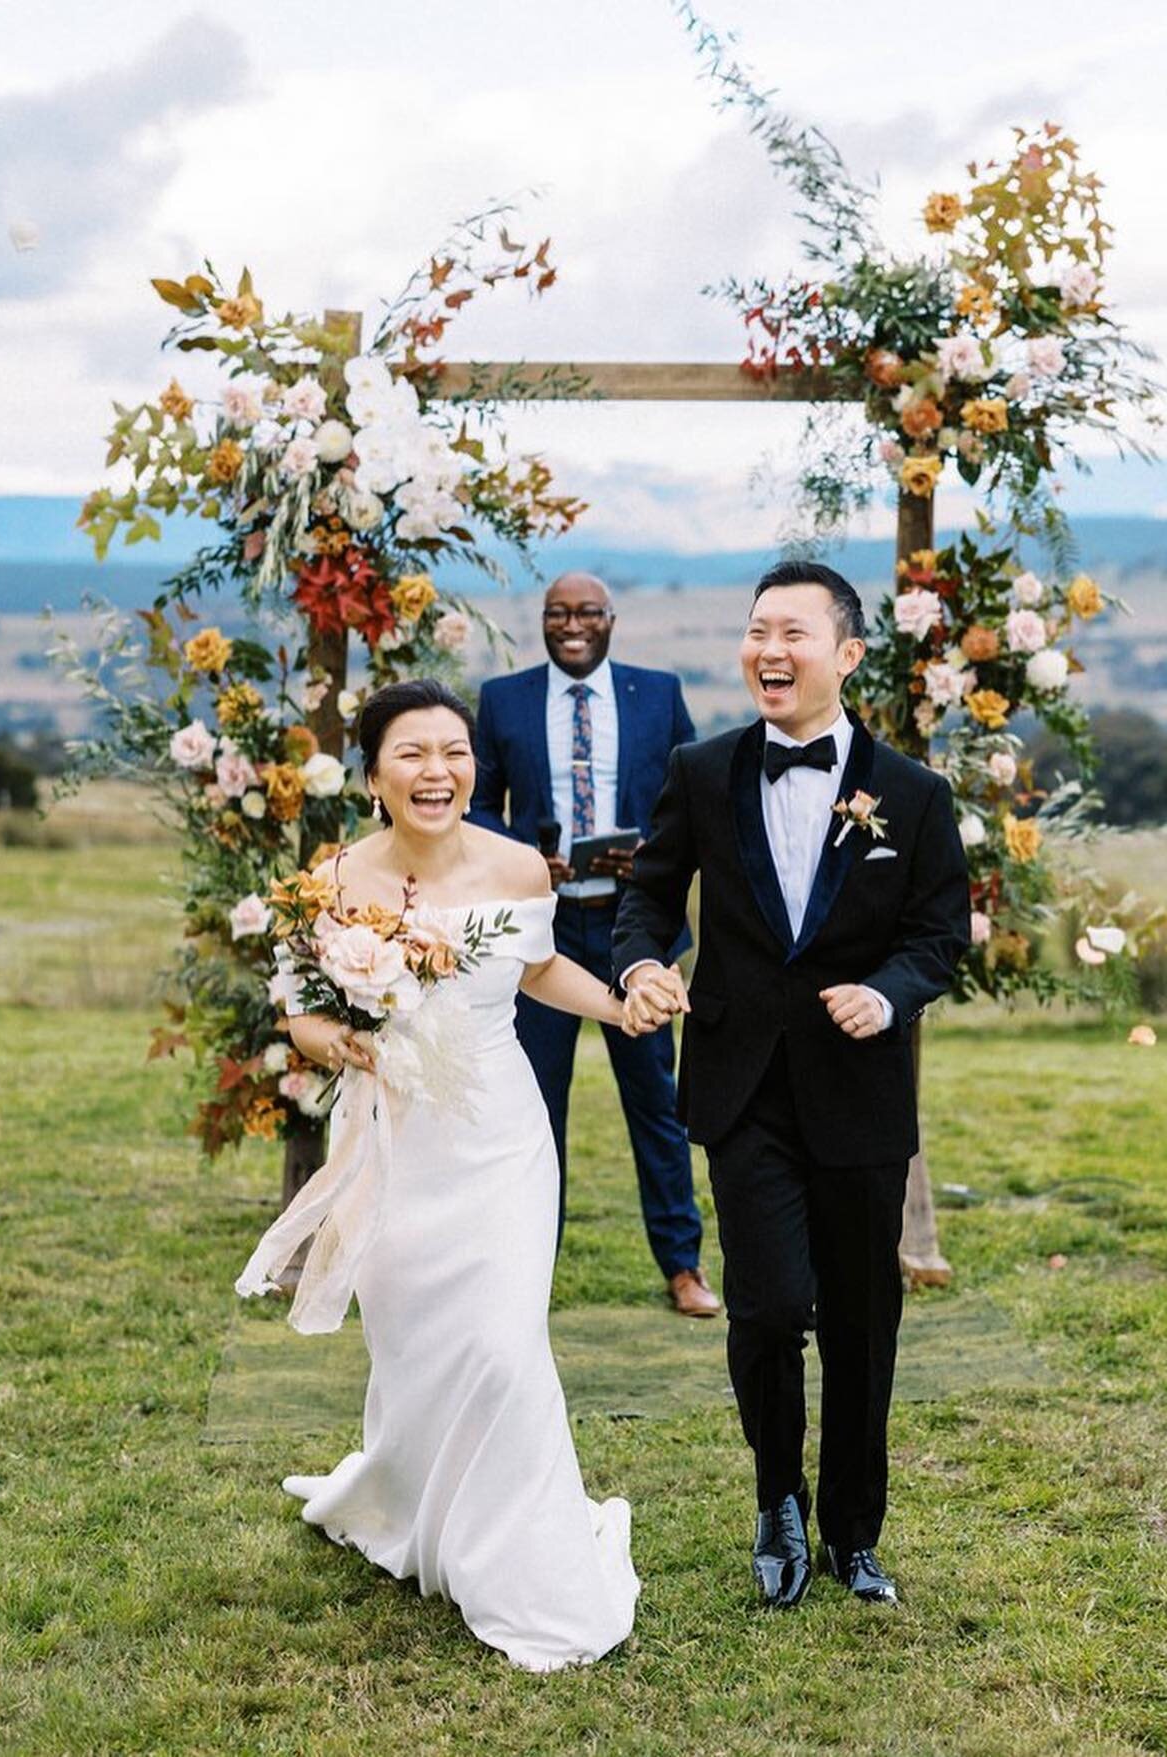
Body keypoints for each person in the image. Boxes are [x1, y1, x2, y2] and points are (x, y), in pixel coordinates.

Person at [236, 678, 640, 1672]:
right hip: (393, 1137)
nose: (437, 770)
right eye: (411, 753)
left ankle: (526, 1566)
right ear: (372, 774)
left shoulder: (515, 864)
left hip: (500, 1133)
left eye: (453, 751)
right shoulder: (332, 877)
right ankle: (416, 1500)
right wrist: (339, 1040)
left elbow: (540, 969)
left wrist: (621, 1004)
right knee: (418, 1346)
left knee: (504, 1346)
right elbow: (299, 1012)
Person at [612, 560, 969, 1610]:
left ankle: (855, 1531)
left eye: (793, 633)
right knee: (766, 1305)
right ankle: (776, 1496)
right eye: (756, 630)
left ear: (846, 654)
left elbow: (936, 933)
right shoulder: (700, 766)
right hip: (742, 1083)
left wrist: (889, 992)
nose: (769, 650)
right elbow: (649, 896)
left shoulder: (911, 793)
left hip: (857, 1087)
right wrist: (639, 964)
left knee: (862, 1320)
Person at [469, 571, 720, 1319]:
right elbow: (478, 803)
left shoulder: (658, 691)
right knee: (534, 1108)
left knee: (656, 1103)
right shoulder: (503, 699)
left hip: (632, 931)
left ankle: (682, 1264)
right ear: (541, 621)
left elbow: (692, 800)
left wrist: (649, 849)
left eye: (585, 612)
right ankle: (525, 1270)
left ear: (611, 620)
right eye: (557, 613)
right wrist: (518, 853)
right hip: (538, 932)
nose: (570, 624)